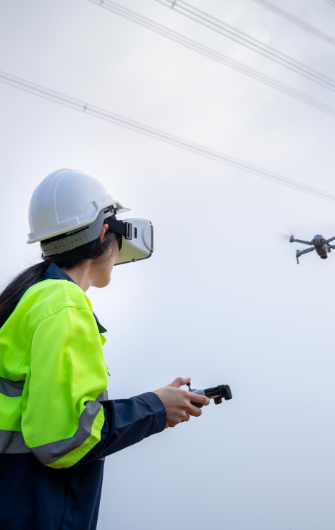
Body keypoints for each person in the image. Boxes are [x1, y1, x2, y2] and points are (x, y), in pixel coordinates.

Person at [0, 169, 209, 530]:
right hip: (33, 513)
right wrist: (156, 407)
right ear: (103, 232)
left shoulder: (32, 298)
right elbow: (63, 439)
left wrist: (160, 402)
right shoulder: (65, 304)